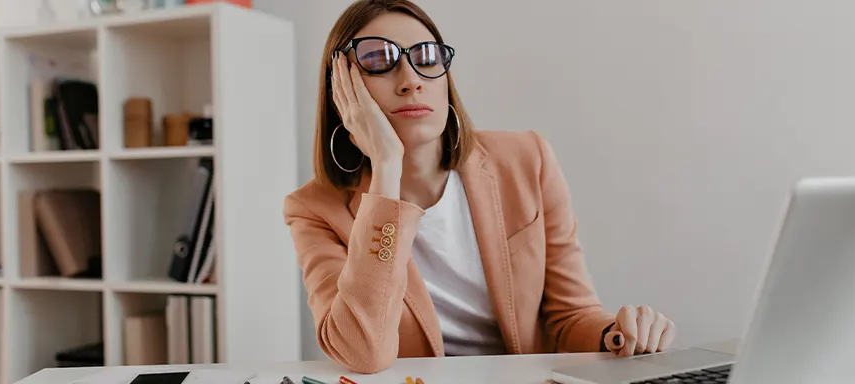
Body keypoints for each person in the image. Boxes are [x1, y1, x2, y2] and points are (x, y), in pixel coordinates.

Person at [283, 0, 676, 374]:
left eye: (426, 57)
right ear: (341, 90)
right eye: (378, 60)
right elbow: (361, 351)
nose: (411, 81)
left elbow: (569, 317)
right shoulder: (313, 209)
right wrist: (386, 167)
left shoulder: (527, 160)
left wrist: (617, 335)